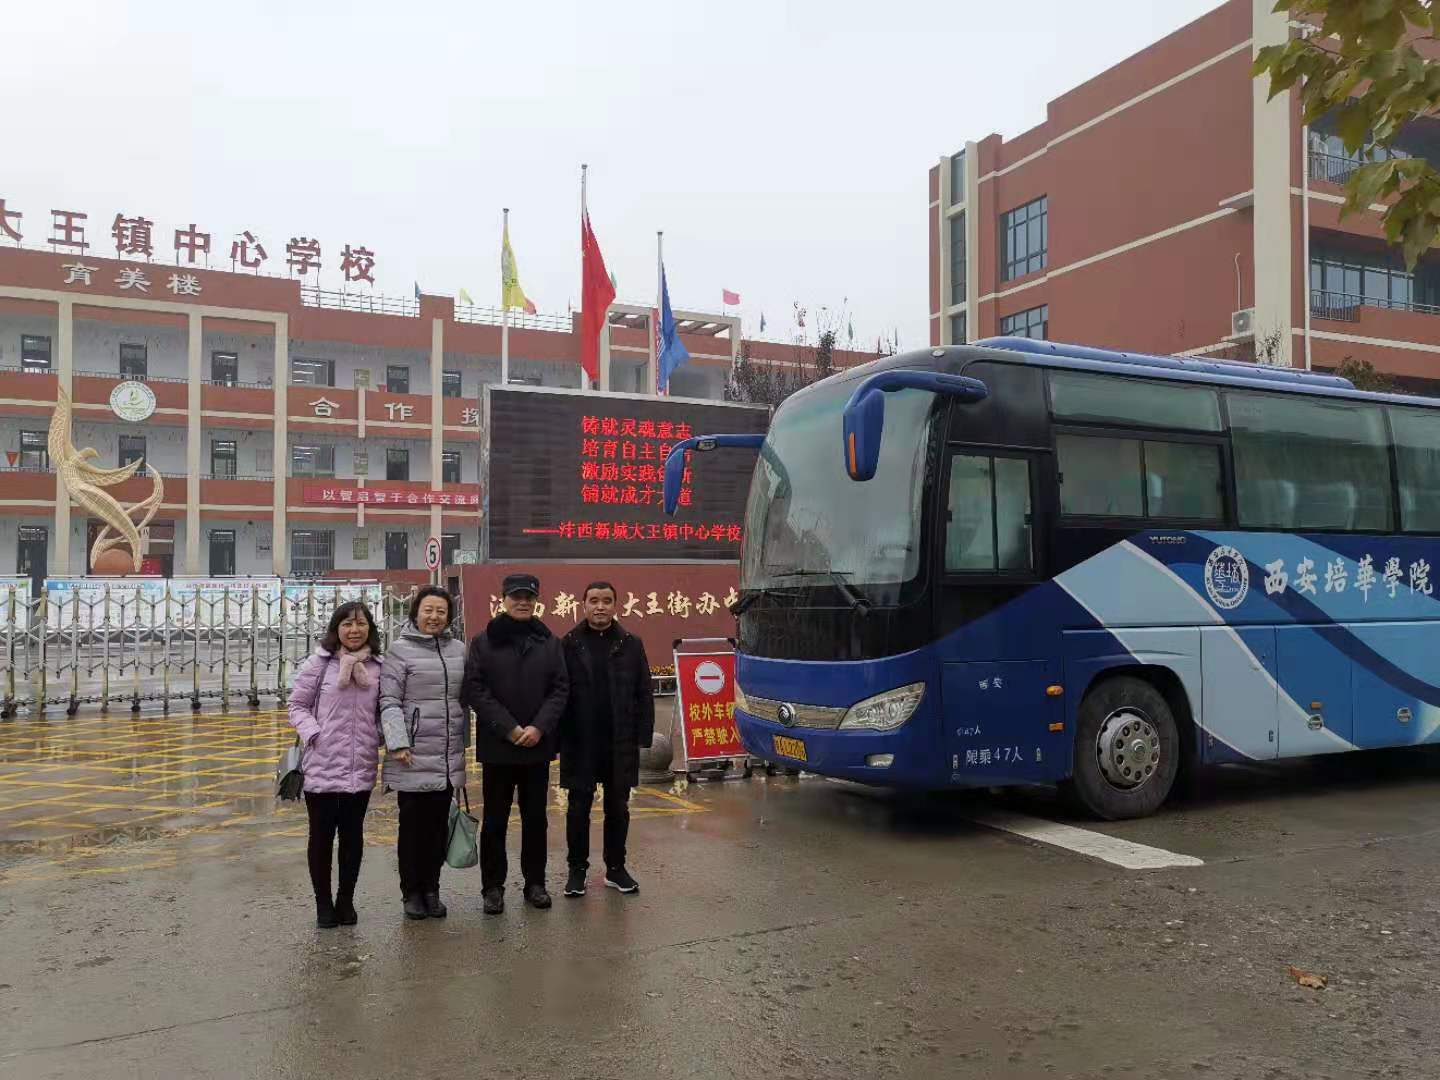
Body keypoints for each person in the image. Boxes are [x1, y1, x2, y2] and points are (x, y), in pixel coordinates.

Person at [461, 573, 568, 914]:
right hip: (499, 747)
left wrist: (539, 727)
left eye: (528, 597)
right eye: (516, 596)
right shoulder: (484, 641)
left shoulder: (549, 642)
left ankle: (535, 883)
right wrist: (508, 728)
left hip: (537, 746)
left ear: (536, 600)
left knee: (536, 820)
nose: (523, 602)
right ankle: (493, 887)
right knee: (495, 820)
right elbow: (475, 689)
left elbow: (560, 689)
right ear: (503, 599)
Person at [287, 601, 385, 928]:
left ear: (370, 628)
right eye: (347, 624)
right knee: (321, 836)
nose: (354, 630)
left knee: (353, 837)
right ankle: (323, 904)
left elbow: (385, 709)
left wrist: (377, 735)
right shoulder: (319, 663)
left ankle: (345, 900)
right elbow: (297, 705)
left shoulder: (378, 666)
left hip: (361, 764)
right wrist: (315, 734)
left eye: (360, 624)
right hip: (322, 763)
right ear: (336, 629)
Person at [558, 581, 654, 898]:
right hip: (580, 741)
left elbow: (643, 691)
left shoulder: (631, 643)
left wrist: (643, 735)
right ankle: (577, 870)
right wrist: (557, 739)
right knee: (577, 809)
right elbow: (559, 693)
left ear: (616, 605)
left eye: (607, 601)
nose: (600, 606)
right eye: (594, 600)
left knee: (618, 808)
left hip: (619, 742)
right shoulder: (569, 643)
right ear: (583, 604)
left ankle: (616, 868)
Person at [379, 585, 468, 921]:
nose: (434, 617)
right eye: (428, 610)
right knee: (412, 829)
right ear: (415, 612)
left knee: (438, 828)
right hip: (412, 754)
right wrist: (397, 742)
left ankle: (432, 889)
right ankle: (411, 892)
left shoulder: (459, 650)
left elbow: (465, 699)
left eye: (441, 611)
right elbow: (389, 700)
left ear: (449, 616)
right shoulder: (399, 651)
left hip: (446, 755)